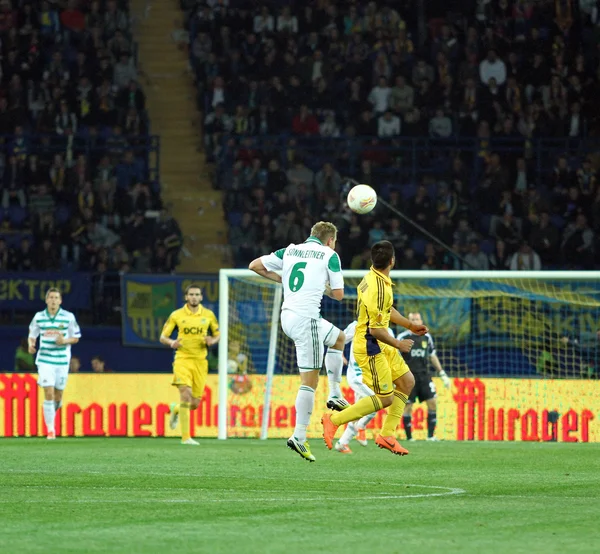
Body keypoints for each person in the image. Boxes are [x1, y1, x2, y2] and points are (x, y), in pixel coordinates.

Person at [249, 221, 348, 462]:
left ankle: (335, 393)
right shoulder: (329, 255)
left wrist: (283, 280)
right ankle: (299, 436)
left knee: (338, 338)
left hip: (288, 317)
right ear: (330, 240)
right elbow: (338, 294)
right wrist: (322, 287)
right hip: (307, 320)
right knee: (310, 382)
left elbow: (255, 266)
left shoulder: (290, 250)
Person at [322, 241, 428, 456]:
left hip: (379, 340)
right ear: (392, 261)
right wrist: (399, 343)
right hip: (371, 346)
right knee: (386, 397)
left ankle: (387, 435)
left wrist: (410, 325)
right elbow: (377, 329)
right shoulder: (378, 288)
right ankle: (334, 419)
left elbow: (387, 310)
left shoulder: (372, 278)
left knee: (407, 381)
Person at [159, 284, 219, 446]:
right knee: (185, 393)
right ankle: (186, 438)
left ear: (201, 297)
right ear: (186, 297)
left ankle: (176, 408)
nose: (194, 297)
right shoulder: (176, 315)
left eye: (197, 294)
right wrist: (172, 343)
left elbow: (217, 334)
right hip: (182, 359)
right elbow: (163, 337)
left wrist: (212, 341)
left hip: (200, 362)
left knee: (194, 404)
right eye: (191, 294)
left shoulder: (208, 315)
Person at [28, 288, 82, 440]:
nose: (53, 300)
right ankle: (51, 430)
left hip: (62, 361)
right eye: (50, 297)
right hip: (45, 360)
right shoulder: (39, 317)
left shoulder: (68, 317)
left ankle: (53, 412)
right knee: (49, 392)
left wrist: (64, 340)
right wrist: (31, 344)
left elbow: (76, 337)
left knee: (57, 396)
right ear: (46, 300)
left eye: (56, 297)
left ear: (60, 301)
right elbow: (32, 334)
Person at [334, 321, 395, 454]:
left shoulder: (387, 330)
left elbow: (391, 355)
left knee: (361, 409)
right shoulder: (356, 325)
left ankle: (342, 443)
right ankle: (360, 426)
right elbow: (340, 339)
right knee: (377, 401)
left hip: (373, 376)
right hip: (357, 374)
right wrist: (340, 355)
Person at [397, 312, 451, 441]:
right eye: (412, 319)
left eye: (417, 319)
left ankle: (431, 436)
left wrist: (442, 373)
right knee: (408, 406)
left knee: (432, 402)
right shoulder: (402, 337)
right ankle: (409, 438)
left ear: (421, 320)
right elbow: (396, 357)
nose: (415, 321)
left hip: (424, 376)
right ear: (408, 322)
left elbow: (432, 355)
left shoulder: (427, 337)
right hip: (408, 377)